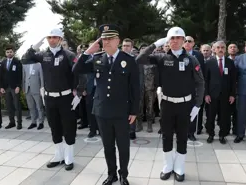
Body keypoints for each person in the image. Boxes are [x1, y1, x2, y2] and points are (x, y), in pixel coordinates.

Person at [73, 24, 140, 185]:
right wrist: (88, 51)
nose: (106, 42)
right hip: (102, 111)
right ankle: (112, 175)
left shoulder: (128, 60)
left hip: (122, 111)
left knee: (123, 147)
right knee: (108, 146)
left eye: (110, 38)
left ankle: (123, 174)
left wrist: (134, 111)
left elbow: (135, 88)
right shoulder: (96, 58)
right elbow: (76, 69)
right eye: (104, 39)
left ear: (118, 40)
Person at [136, 27, 204, 182]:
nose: (175, 41)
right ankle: (168, 165)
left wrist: (198, 104)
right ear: (168, 41)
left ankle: (179, 167)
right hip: (166, 103)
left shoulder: (191, 59)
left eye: (178, 38)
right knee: (166, 136)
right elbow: (139, 59)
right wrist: (154, 44)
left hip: (185, 104)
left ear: (183, 41)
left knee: (182, 136)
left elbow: (200, 83)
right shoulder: (161, 57)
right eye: (172, 38)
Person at [28, 28, 78, 171]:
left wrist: (78, 92)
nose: (52, 40)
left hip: (66, 97)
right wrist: (36, 45)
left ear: (61, 39)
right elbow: (25, 58)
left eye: (55, 37)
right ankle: (58, 155)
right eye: (49, 37)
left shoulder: (68, 55)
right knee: (54, 127)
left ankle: (69, 157)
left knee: (68, 127)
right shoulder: (43, 55)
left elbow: (78, 73)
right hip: (50, 98)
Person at [204, 41, 236, 144]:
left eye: (222, 47)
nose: (220, 49)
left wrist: (232, 94)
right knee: (210, 116)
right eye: (218, 47)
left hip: (225, 96)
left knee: (224, 117)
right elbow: (205, 80)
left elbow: (233, 80)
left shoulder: (230, 63)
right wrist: (206, 94)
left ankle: (222, 135)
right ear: (214, 49)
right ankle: (211, 134)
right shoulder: (209, 62)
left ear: (225, 49)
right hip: (212, 96)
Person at [0, 45, 23, 130]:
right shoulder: (3, 62)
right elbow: (1, 76)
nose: (9, 53)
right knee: (9, 106)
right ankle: (12, 122)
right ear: (5, 53)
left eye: (10, 52)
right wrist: (1, 87)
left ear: (13, 52)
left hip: (14, 87)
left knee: (17, 105)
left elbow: (20, 75)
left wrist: (18, 86)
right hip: (6, 87)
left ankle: (19, 123)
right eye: (7, 52)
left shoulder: (17, 62)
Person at [21, 50, 45, 130]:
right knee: (31, 107)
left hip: (37, 88)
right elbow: (23, 78)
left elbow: (41, 77)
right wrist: (23, 88)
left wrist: (42, 87)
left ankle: (41, 122)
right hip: (28, 89)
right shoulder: (25, 65)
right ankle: (33, 122)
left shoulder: (39, 65)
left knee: (39, 106)